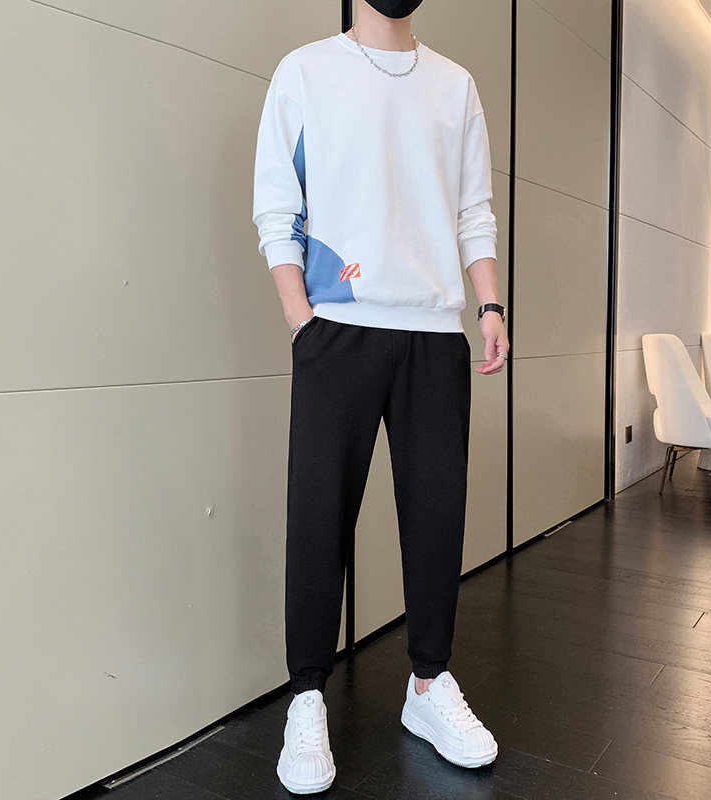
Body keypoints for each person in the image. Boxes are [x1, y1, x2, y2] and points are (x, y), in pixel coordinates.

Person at [252, 0, 509, 793]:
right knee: (318, 516)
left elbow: (473, 209)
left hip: (434, 332)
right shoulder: (305, 72)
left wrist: (489, 305)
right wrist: (302, 321)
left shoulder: (455, 86)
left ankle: (428, 686)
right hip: (337, 328)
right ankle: (306, 698)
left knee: (436, 516)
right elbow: (277, 206)